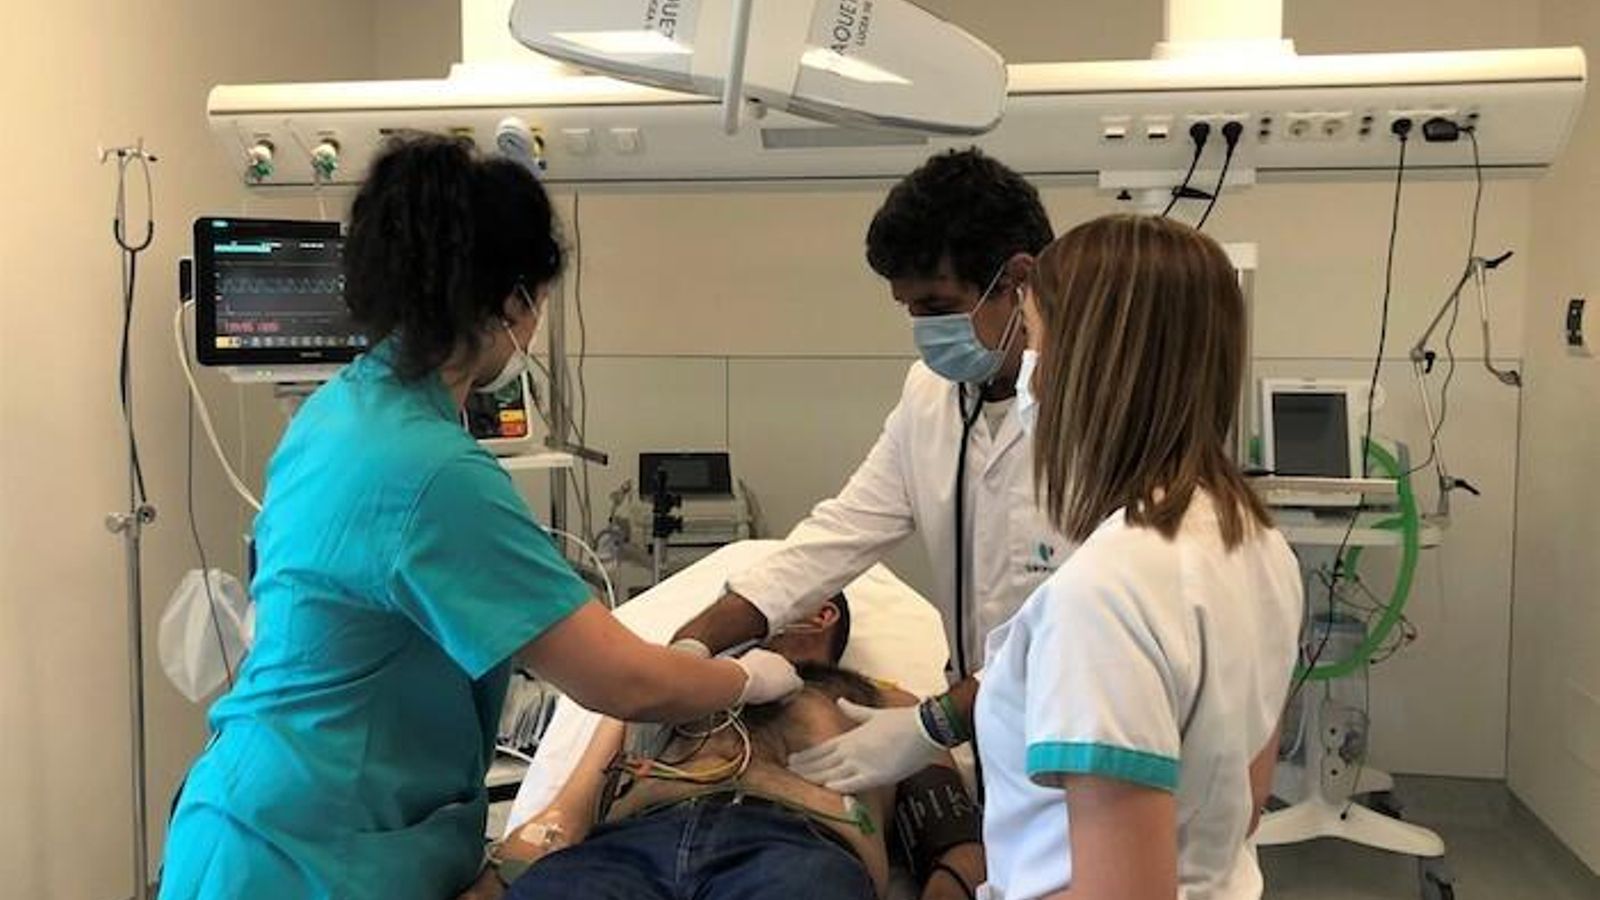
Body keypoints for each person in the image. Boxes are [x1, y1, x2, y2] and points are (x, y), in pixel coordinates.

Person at [157, 134, 801, 900]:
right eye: (533, 300)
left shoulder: (336, 413)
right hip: (310, 861)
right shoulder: (432, 473)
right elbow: (627, 682)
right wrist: (743, 677)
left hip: (251, 824)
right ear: (512, 300)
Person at [672, 149, 1064, 794]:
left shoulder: (1100, 417)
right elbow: (839, 535)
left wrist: (932, 725)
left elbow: (1077, 630)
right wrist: (692, 645)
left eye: (937, 306)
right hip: (994, 745)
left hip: (1082, 733)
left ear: (1018, 280)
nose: (923, 330)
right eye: (909, 310)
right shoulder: (930, 397)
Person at [974, 214, 1304, 900]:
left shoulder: (1107, 592)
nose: (1027, 378)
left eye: (1033, 337)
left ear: (1089, 363)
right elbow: (1243, 799)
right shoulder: (1256, 540)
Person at [477, 594, 985, 900]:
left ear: (821, 613)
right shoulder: (669, 693)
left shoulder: (885, 700)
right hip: (626, 850)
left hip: (794, 848)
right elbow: (568, 811)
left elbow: (953, 839)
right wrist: (500, 878)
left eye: (751, 609)